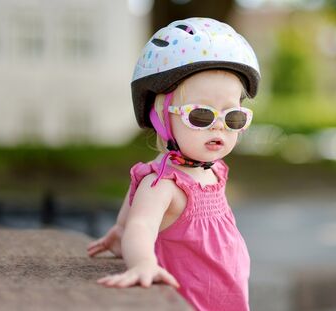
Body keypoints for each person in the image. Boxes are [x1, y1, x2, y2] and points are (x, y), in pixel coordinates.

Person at [86, 17, 260, 311]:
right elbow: (142, 224)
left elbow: (134, 202)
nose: (219, 127)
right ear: (162, 118)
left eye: (233, 117)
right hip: (190, 301)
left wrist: (120, 229)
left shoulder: (215, 171)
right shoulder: (164, 184)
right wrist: (142, 261)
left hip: (228, 297)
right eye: (201, 116)